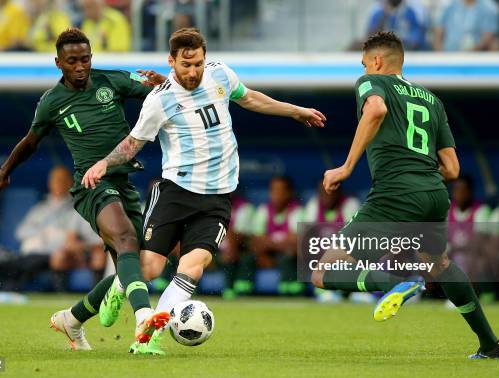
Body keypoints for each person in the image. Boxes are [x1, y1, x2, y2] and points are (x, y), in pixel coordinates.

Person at [82, 27, 326, 355]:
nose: (193, 71)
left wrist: (294, 110)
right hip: (175, 193)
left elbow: (250, 97)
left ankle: (148, 339)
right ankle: (117, 286)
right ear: (171, 61)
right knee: (150, 268)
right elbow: (133, 144)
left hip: (218, 197)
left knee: (194, 266)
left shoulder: (220, 75)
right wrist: (103, 164)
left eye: (197, 63)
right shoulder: (159, 99)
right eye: (185, 64)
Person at [313, 31, 499, 359]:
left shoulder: (369, 83)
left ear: (376, 61)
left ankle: (393, 284)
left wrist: (345, 168)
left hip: (395, 195)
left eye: (364, 63)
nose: (362, 69)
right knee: (439, 264)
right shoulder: (432, 100)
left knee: (322, 270)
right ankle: (491, 345)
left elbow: (375, 110)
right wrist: (420, 175)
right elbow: (453, 169)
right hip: (433, 193)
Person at [0, 28, 167, 351]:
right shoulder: (52, 102)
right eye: (72, 61)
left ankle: (71, 319)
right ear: (58, 63)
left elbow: (161, 94)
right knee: (125, 239)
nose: (80, 67)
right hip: (91, 185)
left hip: (124, 182)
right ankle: (144, 321)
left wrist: (164, 81)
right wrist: (4, 170)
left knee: (133, 267)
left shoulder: (112, 81)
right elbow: (30, 141)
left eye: (85, 59)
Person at [0, 166, 104, 292]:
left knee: (58, 256)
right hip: (41, 252)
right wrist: (44, 234)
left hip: (71, 253)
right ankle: (5, 288)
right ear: (49, 183)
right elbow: (20, 232)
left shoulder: (77, 207)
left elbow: (88, 239)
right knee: (24, 261)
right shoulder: (41, 209)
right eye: (55, 180)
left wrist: (65, 239)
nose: (58, 184)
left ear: (70, 182)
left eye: (62, 180)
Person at [304, 180, 360, 302]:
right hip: (321, 256)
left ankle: (355, 291)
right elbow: (307, 238)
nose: (327, 195)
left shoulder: (350, 204)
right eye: (323, 192)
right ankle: (324, 290)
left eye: (331, 191)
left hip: (347, 255)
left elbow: (354, 238)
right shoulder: (313, 205)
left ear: (338, 191)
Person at [251, 176, 305, 296]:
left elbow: (294, 244)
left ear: (289, 193)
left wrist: (268, 242)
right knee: (249, 257)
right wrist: (278, 245)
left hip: (290, 258)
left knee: (289, 256)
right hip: (268, 256)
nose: (277, 195)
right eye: (274, 191)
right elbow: (256, 242)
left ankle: (293, 291)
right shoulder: (263, 210)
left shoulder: (297, 211)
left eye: (281, 191)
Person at [447, 175, 492, 281]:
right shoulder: (446, 210)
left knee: (480, 261)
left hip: (472, 256)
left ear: (470, 192)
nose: (460, 194)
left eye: (463, 191)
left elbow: (478, 243)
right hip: (452, 256)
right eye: (457, 190)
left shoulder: (482, 210)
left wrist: (454, 248)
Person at [433, 0, 499, 51]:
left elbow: (488, 36)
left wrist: (469, 54)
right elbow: (439, 31)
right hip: (448, 55)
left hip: (475, 57)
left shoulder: (488, 7)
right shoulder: (450, 5)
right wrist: (441, 54)